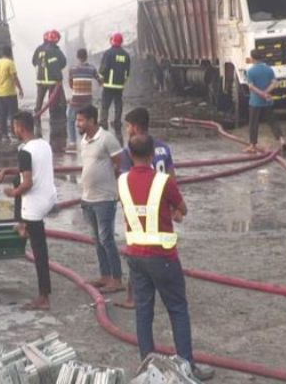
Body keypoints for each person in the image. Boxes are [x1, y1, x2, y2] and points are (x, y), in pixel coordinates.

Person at [118, 135, 214, 381]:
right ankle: (186, 367)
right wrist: (171, 212)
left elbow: (135, 208)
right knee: (177, 309)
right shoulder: (163, 181)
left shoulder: (122, 181)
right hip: (162, 255)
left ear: (129, 154)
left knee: (143, 311)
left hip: (135, 255)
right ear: (153, 155)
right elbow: (183, 209)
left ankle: (148, 369)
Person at [0, 111, 57, 310]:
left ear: (20, 127)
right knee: (15, 178)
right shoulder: (43, 144)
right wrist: (7, 172)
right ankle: (22, 225)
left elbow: (27, 183)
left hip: (35, 206)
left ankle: (43, 297)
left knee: (40, 253)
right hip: (49, 197)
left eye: (14, 127)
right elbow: (30, 170)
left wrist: (12, 193)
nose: (14, 130)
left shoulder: (24, 152)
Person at [116, 107, 176, 310]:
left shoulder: (130, 151)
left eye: (128, 126)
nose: (127, 130)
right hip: (162, 206)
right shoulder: (163, 148)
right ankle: (163, 286)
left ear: (134, 126)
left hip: (140, 209)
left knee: (136, 249)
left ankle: (132, 296)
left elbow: (125, 181)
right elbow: (171, 176)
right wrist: (175, 204)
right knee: (164, 247)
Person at [75, 105, 125, 292]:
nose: (77, 124)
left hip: (104, 198)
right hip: (88, 198)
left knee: (107, 239)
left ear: (91, 120)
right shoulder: (84, 140)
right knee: (97, 239)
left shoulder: (107, 138)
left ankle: (117, 279)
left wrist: (111, 183)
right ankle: (105, 276)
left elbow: (120, 162)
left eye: (80, 120)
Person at [245, 49, 286, 153]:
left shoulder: (250, 71)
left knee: (253, 124)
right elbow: (274, 83)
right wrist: (266, 92)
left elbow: (251, 87)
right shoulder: (269, 69)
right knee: (273, 122)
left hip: (255, 102)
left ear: (252, 58)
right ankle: (282, 140)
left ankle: (252, 145)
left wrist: (261, 94)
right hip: (267, 101)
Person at [32, 30, 67, 137]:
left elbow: (34, 62)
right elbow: (61, 63)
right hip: (53, 80)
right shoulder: (54, 50)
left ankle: (37, 119)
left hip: (40, 80)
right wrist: (58, 77)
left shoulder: (39, 49)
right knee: (60, 100)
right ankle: (57, 120)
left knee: (39, 100)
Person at [67, 48, 102, 151]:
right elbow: (100, 81)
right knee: (88, 120)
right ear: (86, 57)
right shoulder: (92, 68)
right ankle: (90, 139)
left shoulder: (72, 69)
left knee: (71, 120)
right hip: (87, 100)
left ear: (77, 57)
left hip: (76, 100)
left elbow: (70, 84)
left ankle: (73, 142)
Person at [99, 32, 131, 141]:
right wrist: (123, 82)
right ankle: (117, 121)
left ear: (112, 40)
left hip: (108, 84)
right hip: (119, 85)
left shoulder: (108, 53)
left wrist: (100, 78)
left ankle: (103, 122)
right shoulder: (125, 55)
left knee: (105, 104)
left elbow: (104, 68)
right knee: (118, 103)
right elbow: (127, 72)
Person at [0, 45, 24, 142]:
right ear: (10, 53)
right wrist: (20, 89)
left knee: (3, 114)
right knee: (13, 114)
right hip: (9, 93)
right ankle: (13, 134)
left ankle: (4, 135)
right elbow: (14, 77)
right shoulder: (10, 63)